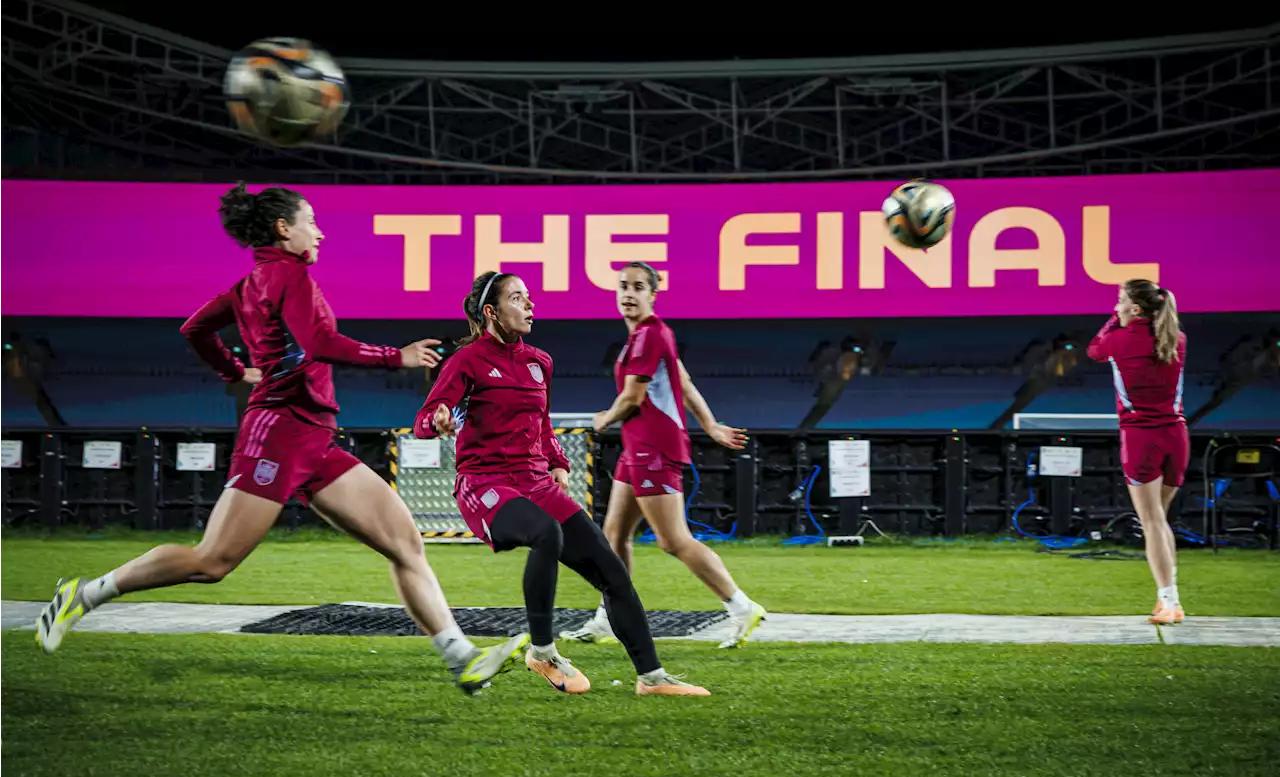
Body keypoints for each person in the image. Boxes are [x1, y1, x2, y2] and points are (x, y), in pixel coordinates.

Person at [34, 183, 529, 694]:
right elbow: (318, 342)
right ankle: (83, 594)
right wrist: (393, 357)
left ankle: (462, 659)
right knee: (213, 561)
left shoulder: (250, 285)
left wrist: (234, 369)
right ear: (283, 229)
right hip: (278, 434)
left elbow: (194, 330)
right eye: (310, 221)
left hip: (311, 436)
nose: (320, 230)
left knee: (404, 542)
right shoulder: (290, 275)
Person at [413, 270, 709, 697]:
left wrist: (557, 462)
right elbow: (426, 416)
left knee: (614, 573)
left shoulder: (539, 361)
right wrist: (437, 420)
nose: (530, 305)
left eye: (529, 297)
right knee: (545, 532)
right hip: (484, 485)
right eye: (518, 298)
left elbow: (543, 424)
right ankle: (543, 652)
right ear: (492, 312)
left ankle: (652, 678)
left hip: (536, 483)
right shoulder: (467, 361)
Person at [560, 262, 766, 648]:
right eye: (623, 286)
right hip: (637, 447)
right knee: (614, 537)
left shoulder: (651, 334)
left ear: (652, 295)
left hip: (655, 448)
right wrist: (711, 425)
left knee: (673, 541)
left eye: (638, 287)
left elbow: (632, 398)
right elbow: (683, 382)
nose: (628, 293)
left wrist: (604, 418)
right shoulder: (643, 337)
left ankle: (741, 606)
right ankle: (609, 617)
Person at [1086, 278, 1188, 625]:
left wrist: (1115, 320)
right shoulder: (1176, 340)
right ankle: (1169, 598)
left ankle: (1170, 601)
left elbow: (1094, 350)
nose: (1115, 307)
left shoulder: (1117, 339)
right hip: (1177, 436)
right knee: (1159, 521)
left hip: (1141, 438)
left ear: (1135, 308)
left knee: (1152, 522)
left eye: (1120, 301)